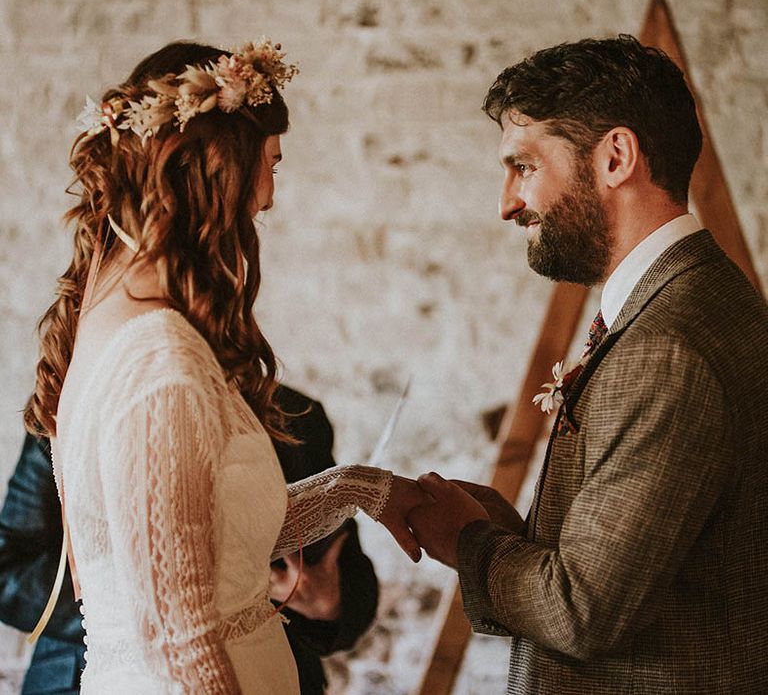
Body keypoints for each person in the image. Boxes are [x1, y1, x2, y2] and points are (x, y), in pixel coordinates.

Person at [23, 39, 425, 694]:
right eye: (269, 165)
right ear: (218, 169)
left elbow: (220, 544)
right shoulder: (159, 361)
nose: (268, 197)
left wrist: (365, 489)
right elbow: (182, 645)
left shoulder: (124, 321)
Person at [408, 35, 768, 692]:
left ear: (615, 157)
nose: (507, 203)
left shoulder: (668, 347)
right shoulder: (691, 299)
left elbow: (585, 612)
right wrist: (513, 533)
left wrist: (466, 541)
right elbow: (650, 571)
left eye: (523, 166)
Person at [0, 385, 379, 694]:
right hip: (90, 670)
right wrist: (180, 603)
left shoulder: (295, 417)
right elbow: (9, 573)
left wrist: (326, 603)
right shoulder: (65, 411)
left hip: (269, 669)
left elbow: (349, 577)